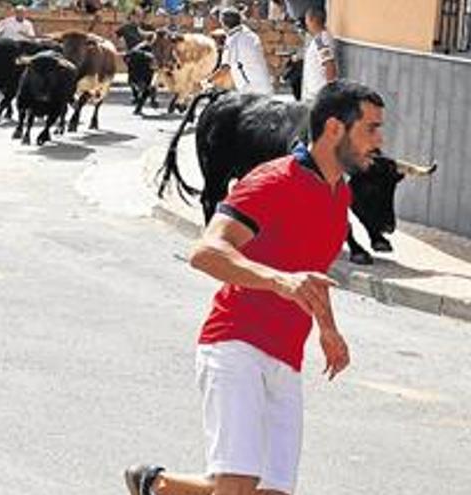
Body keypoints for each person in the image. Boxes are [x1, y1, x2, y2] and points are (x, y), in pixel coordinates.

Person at [123, 81, 385, 495]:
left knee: (272, 491)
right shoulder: (273, 181)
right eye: (370, 129)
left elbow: (314, 272)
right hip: (236, 344)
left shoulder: (339, 194)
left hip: (286, 356)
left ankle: (155, 485)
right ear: (335, 128)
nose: (379, 140)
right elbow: (206, 251)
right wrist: (278, 280)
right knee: (238, 484)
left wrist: (328, 328)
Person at [206, 7, 272, 94]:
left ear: (223, 24)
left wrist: (208, 81)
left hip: (251, 89)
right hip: (265, 85)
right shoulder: (249, 33)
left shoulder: (233, 41)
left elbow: (225, 69)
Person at [300, 6, 336, 101]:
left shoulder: (321, 40)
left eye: (306, 19)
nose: (306, 23)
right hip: (314, 93)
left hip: (319, 94)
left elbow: (329, 65)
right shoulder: (318, 39)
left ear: (312, 20)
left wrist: (330, 92)